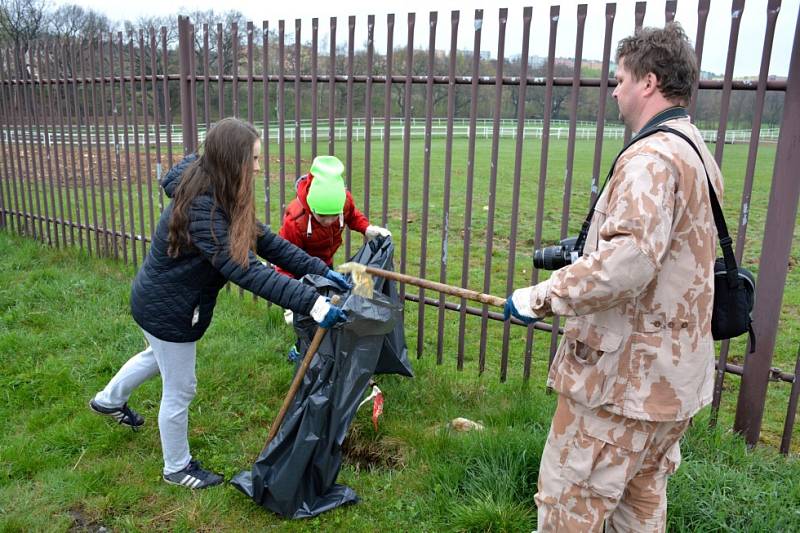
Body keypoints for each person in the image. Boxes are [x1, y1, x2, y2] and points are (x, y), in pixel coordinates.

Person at [503, 23, 722, 532]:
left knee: (569, 510)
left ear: (648, 82)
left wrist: (540, 296)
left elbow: (630, 260)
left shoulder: (651, 157)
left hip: (622, 387)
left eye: (620, 78)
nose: (615, 88)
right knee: (639, 511)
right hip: (673, 384)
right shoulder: (695, 150)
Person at [89, 118, 352, 490]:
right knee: (181, 388)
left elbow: (265, 242)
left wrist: (319, 269)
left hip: (157, 301)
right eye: (254, 159)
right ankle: (177, 468)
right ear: (233, 161)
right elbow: (247, 271)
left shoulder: (217, 187)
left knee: (155, 357)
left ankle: (107, 400)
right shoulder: (206, 211)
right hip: (169, 309)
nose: (260, 167)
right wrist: (313, 302)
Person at [276, 154, 390, 357]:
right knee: (306, 312)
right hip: (300, 269)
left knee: (325, 305)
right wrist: (289, 297)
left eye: (334, 216)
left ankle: (324, 348)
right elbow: (284, 260)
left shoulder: (344, 202)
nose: (329, 221)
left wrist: (367, 229)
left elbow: (353, 216)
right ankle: (301, 348)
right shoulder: (295, 220)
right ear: (311, 206)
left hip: (325, 263)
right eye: (321, 216)